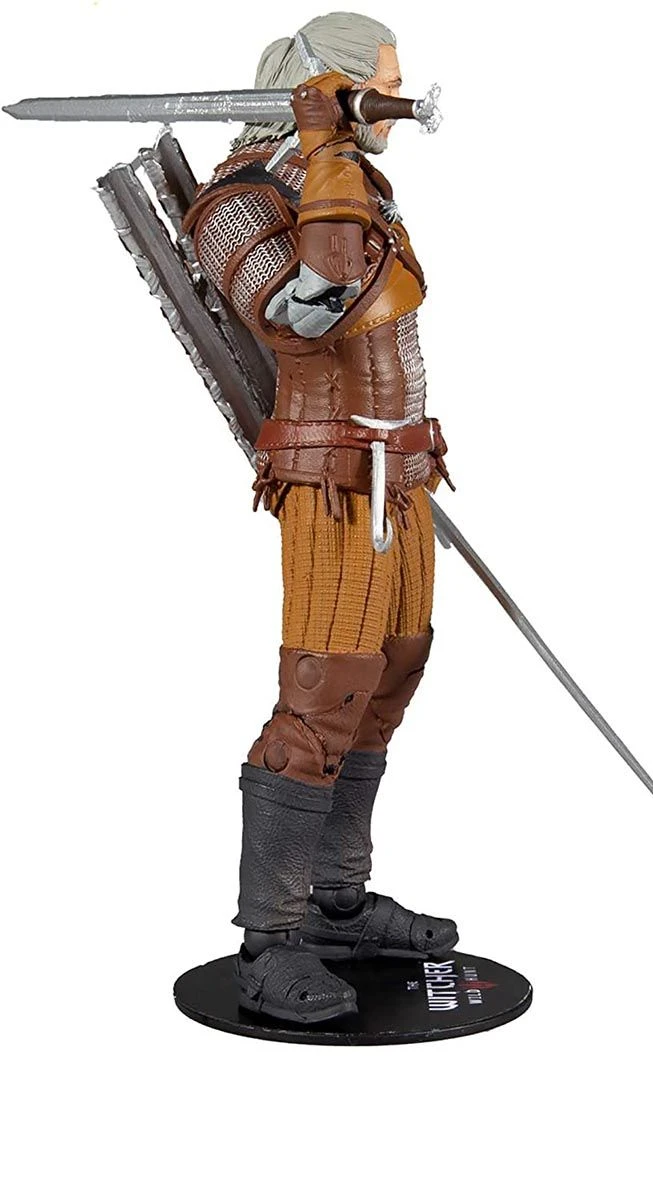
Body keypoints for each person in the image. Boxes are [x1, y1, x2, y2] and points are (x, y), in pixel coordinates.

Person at [184, 11, 455, 1024]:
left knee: (389, 675)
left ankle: (335, 903)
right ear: (329, 90)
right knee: (322, 698)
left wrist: (336, 161)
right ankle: (271, 939)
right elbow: (311, 307)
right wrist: (328, 151)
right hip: (332, 477)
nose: (392, 103)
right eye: (375, 86)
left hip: (399, 469)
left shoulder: (345, 185)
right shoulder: (243, 196)